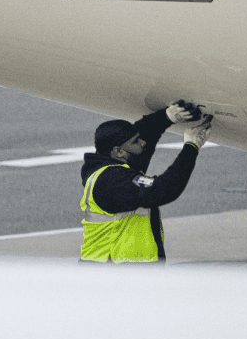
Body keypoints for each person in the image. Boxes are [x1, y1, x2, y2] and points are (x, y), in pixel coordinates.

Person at [79, 100, 213, 264]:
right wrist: (191, 146)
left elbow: (141, 136)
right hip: (113, 272)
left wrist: (166, 116)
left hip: (123, 269)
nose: (142, 143)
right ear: (118, 151)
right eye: (136, 142)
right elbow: (164, 189)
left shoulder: (111, 164)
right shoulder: (113, 182)